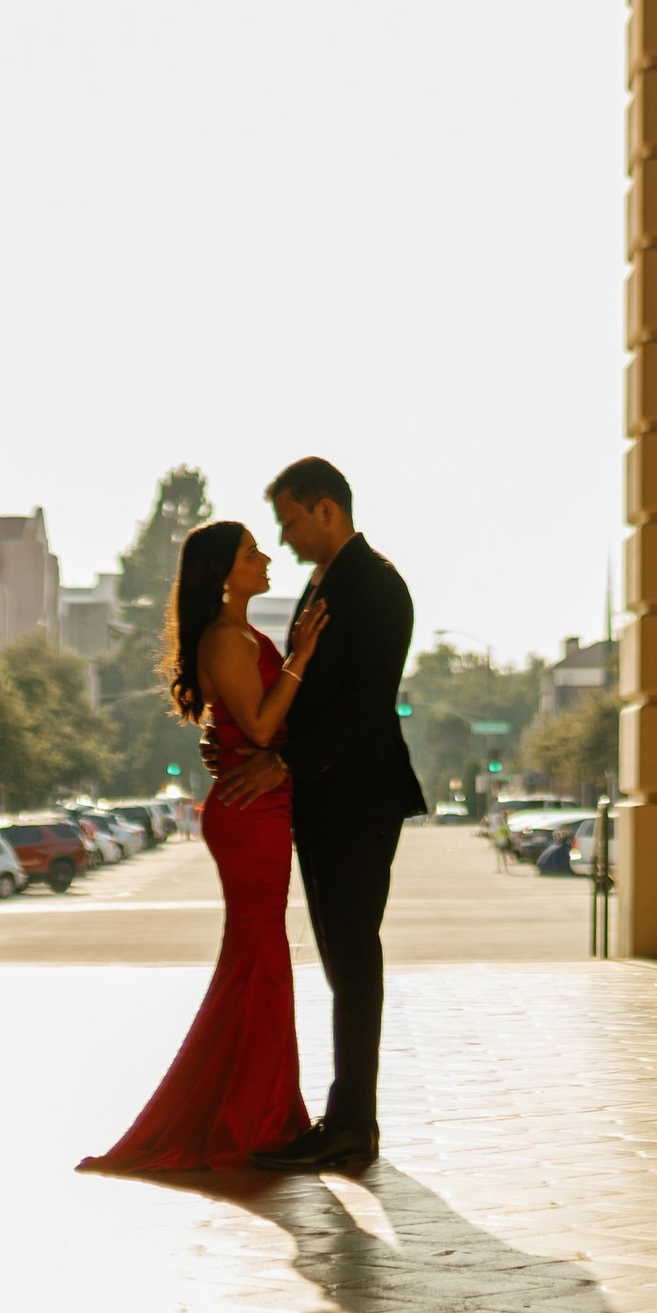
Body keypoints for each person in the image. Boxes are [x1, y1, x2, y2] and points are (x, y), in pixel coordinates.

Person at [80, 516, 326, 1174]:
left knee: (261, 960)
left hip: (261, 803)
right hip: (249, 811)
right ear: (224, 574)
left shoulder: (241, 635)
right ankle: (251, 1120)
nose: (266, 556)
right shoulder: (225, 640)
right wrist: (302, 654)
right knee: (260, 958)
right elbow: (265, 723)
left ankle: (264, 1112)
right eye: (251, 553)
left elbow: (263, 722)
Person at [218, 456, 425, 1174]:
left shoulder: (378, 586)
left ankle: (352, 1124)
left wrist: (286, 761)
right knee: (340, 954)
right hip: (327, 799)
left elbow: (367, 704)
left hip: (360, 798)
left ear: (327, 509)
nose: (286, 534)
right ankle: (345, 1119)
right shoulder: (327, 582)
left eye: (291, 518)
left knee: (353, 951)